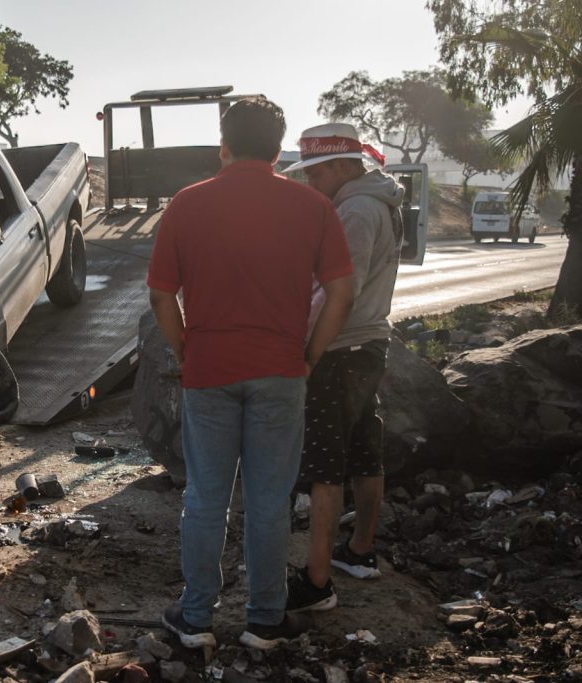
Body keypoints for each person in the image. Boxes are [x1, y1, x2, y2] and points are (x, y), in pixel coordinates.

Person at [147, 97, 355, 651]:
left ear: (225, 144)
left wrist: (187, 349)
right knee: (269, 498)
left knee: (205, 496)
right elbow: (342, 292)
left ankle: (194, 619)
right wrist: (310, 354)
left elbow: (161, 295)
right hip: (281, 371)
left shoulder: (188, 204)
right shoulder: (311, 207)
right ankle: (265, 620)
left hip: (209, 370)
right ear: (278, 147)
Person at [280, 123, 405, 613]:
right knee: (364, 452)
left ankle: (317, 582)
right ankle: (360, 551)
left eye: (315, 174)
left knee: (325, 468)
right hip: (371, 343)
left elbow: (337, 294)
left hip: (341, 348)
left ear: (338, 166)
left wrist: (304, 349)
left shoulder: (354, 211)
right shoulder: (381, 201)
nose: (312, 184)